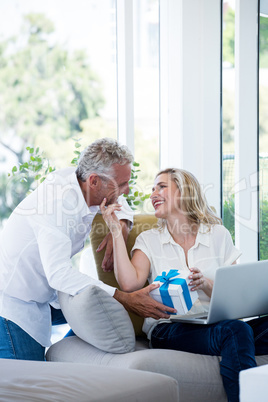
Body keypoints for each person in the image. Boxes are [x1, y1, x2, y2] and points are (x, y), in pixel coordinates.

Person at [100, 167, 268, 402]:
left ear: (185, 192)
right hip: (169, 327)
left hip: (215, 324)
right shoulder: (149, 239)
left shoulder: (217, 234)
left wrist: (207, 284)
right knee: (236, 331)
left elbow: (234, 295)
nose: (153, 194)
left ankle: (237, 347)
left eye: (162, 187)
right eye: (152, 189)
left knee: (236, 331)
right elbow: (129, 284)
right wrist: (116, 231)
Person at [0, 138, 175, 361]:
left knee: (100, 311)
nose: (127, 190)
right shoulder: (56, 205)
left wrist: (121, 225)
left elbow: (124, 204)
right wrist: (124, 297)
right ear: (94, 182)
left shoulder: (82, 181)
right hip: (14, 304)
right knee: (24, 388)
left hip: (45, 298)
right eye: (121, 184)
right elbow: (59, 274)